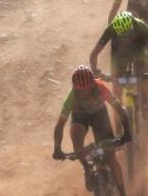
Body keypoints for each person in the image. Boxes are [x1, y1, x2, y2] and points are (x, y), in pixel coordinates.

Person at [53, 65, 132, 196]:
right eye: (80, 91)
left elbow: (120, 109)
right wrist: (57, 148)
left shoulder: (100, 87)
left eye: (87, 90)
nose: (84, 93)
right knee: (76, 140)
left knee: (111, 158)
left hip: (100, 115)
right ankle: (86, 167)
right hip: (80, 116)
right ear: (75, 88)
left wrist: (127, 132)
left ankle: (122, 192)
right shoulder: (72, 95)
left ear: (93, 83)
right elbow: (60, 124)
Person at [89, 12, 148, 118]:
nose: (125, 39)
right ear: (116, 30)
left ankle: (144, 100)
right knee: (116, 88)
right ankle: (117, 118)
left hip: (138, 49)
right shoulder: (111, 28)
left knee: (141, 72)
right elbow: (94, 53)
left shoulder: (141, 26)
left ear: (132, 26)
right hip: (118, 54)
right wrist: (95, 71)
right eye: (122, 36)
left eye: (128, 35)